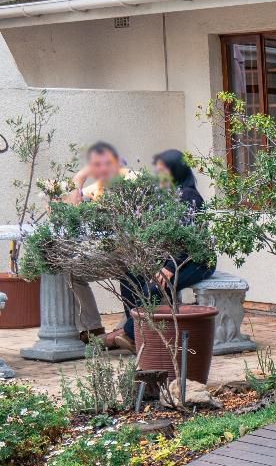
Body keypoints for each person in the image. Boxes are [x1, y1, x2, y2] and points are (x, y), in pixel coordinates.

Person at [101, 150, 216, 352]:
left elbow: (186, 239)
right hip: (170, 257)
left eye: (163, 170)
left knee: (154, 288)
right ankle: (136, 332)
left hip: (195, 260)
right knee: (130, 275)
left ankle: (127, 334)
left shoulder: (189, 196)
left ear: (176, 171)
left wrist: (170, 267)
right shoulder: (166, 194)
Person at [61, 142, 129, 341]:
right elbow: (70, 208)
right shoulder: (100, 186)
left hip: (134, 254)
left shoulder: (128, 182)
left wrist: (81, 177)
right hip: (115, 253)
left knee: (73, 270)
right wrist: (80, 178)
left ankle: (127, 329)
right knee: (72, 270)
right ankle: (93, 330)